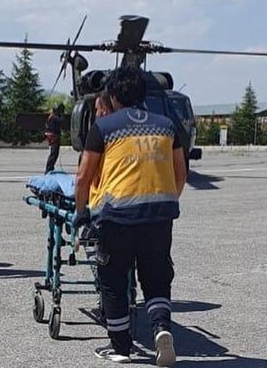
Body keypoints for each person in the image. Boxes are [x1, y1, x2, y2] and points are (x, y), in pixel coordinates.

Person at [73, 67, 187, 366]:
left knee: (113, 280)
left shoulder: (105, 127)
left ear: (111, 96)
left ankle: (121, 347)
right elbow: (180, 174)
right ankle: (162, 329)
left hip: (117, 218)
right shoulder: (166, 125)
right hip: (159, 217)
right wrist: (164, 201)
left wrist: (81, 213)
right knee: (156, 278)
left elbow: (83, 177)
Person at [44, 103, 64, 173]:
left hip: (52, 136)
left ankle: (50, 167)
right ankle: (49, 168)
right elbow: (61, 121)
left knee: (54, 153)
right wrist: (62, 114)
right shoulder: (54, 117)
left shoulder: (52, 116)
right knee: (54, 153)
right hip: (53, 137)